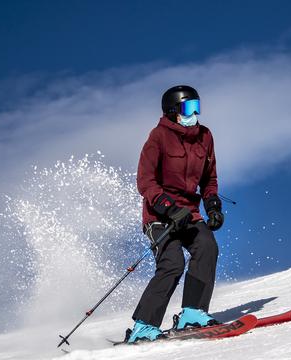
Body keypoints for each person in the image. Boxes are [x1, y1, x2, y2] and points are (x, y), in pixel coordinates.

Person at [125, 85, 225, 343]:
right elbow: (145, 182)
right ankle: (143, 326)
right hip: (160, 215)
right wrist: (168, 207)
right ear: (172, 112)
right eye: (188, 109)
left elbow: (209, 178)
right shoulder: (158, 137)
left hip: (189, 213)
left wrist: (212, 204)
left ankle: (192, 312)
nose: (194, 114)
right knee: (173, 263)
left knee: (207, 247)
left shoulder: (205, 136)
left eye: (197, 107)